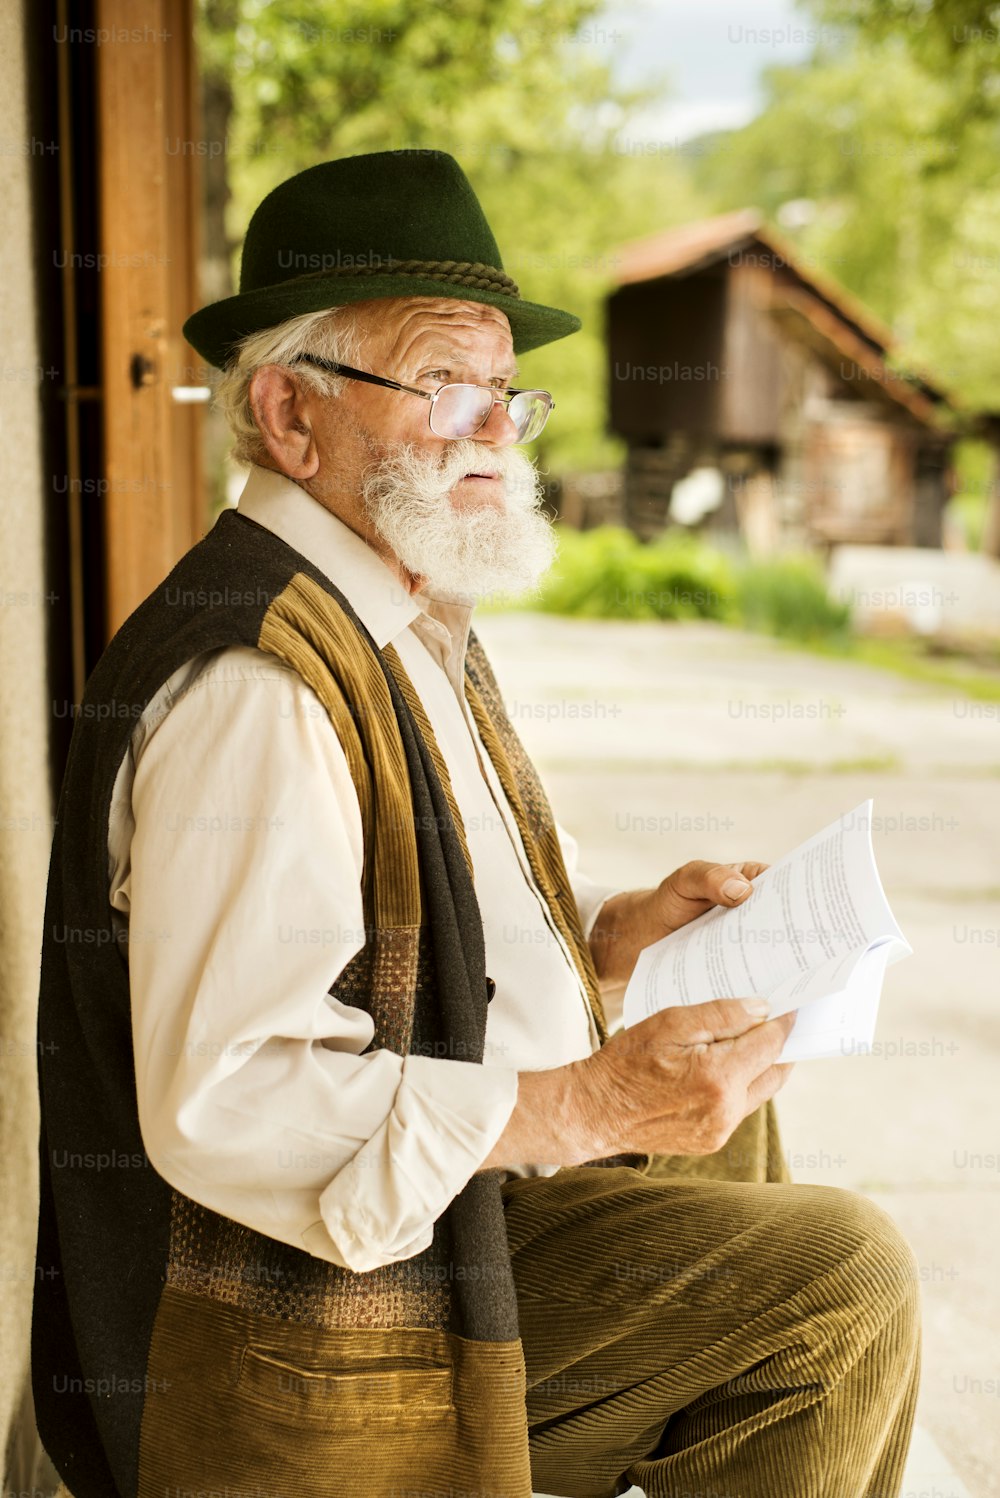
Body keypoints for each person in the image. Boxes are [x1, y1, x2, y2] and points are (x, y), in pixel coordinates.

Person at [33, 150, 920, 1498]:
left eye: (507, 392)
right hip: (298, 1319)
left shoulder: (401, 607)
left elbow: (400, 951)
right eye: (447, 385)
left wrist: (609, 946)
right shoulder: (257, 683)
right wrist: (579, 1098)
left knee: (733, 1126)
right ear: (290, 412)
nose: (497, 433)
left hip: (438, 1219)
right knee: (835, 1283)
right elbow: (231, 1097)